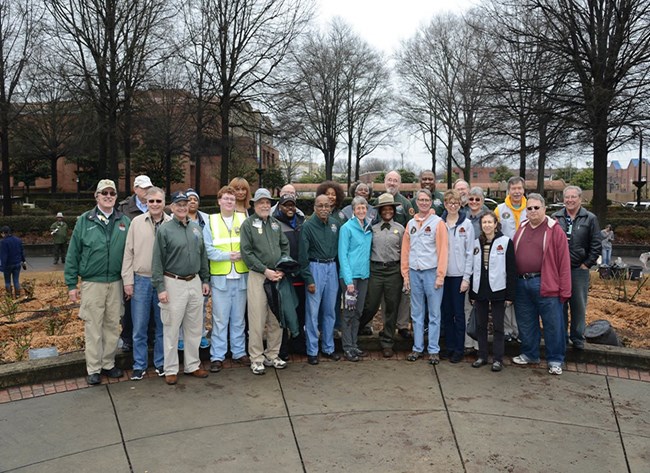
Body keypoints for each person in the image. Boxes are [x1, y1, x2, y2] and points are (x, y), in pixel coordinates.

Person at [65, 179, 130, 386]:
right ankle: (93, 368)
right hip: (92, 283)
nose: (108, 196)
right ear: (97, 196)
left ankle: (108, 364)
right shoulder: (85, 221)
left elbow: (132, 253)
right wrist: (71, 284)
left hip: (116, 282)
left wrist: (130, 281)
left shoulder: (124, 221)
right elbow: (73, 253)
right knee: (93, 326)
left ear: (116, 197)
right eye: (104, 193)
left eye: (112, 193)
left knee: (112, 325)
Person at [152, 191, 211, 385]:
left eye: (185, 203)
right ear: (171, 206)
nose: (183, 207)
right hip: (173, 282)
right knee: (171, 328)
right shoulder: (165, 230)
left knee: (194, 327)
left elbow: (202, 255)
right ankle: (170, 368)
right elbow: (157, 261)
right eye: (179, 204)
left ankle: (192, 365)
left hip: (194, 281)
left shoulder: (195, 228)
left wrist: (205, 279)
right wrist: (160, 287)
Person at [512, 193, 571, 375]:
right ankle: (530, 354)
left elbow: (564, 262)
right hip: (522, 284)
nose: (533, 211)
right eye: (529, 208)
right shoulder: (521, 228)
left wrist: (565, 290)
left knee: (553, 324)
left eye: (536, 207)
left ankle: (555, 360)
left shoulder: (554, 230)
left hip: (546, 283)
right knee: (526, 322)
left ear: (544, 209)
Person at [121, 187, 170, 380]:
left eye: (159, 201)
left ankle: (160, 363)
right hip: (140, 279)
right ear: (146, 203)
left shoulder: (171, 223)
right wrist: (128, 281)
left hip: (164, 281)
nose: (155, 205)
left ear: (164, 203)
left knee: (162, 326)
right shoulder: (136, 223)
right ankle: (139, 365)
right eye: (151, 201)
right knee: (139, 327)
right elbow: (128, 253)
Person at [240, 188, 290, 375]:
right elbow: (247, 252)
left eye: (268, 202)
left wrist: (282, 267)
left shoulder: (276, 224)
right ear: (254, 204)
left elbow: (285, 246)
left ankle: (272, 354)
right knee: (257, 318)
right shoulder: (248, 225)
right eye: (261, 202)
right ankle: (257, 358)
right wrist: (265, 270)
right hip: (258, 276)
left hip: (277, 276)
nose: (265, 205)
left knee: (276, 317)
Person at [203, 186, 251, 373]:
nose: (230, 202)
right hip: (221, 277)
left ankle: (239, 352)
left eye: (232, 199)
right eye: (226, 199)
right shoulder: (211, 221)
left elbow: (249, 245)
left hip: (241, 275)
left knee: (239, 319)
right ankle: (217, 355)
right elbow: (208, 249)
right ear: (219, 201)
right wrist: (228, 256)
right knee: (220, 319)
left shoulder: (243, 219)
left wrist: (242, 255)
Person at [401, 189, 448, 364]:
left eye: (427, 200)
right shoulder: (411, 224)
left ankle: (434, 350)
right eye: (420, 200)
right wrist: (405, 274)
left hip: (432, 272)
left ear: (431, 202)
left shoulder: (438, 223)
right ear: (416, 202)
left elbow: (443, 250)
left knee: (434, 314)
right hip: (414, 272)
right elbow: (406, 251)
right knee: (416, 313)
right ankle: (417, 348)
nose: (423, 202)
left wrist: (440, 275)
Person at [552, 185, 602, 351]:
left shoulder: (589, 218)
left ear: (580, 199)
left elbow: (596, 245)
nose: (570, 200)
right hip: (559, 269)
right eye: (567, 197)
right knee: (560, 305)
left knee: (578, 305)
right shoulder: (556, 217)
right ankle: (562, 337)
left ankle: (577, 337)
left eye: (573, 197)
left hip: (578, 270)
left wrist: (586, 264)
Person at [469, 212, 516, 372]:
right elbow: (473, 269)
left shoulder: (506, 242)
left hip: (498, 289)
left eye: (490, 222)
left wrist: (510, 295)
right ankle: (482, 356)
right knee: (481, 325)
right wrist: (472, 294)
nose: (487, 225)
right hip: (480, 289)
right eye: (484, 222)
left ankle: (497, 359)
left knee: (498, 326)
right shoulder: (476, 243)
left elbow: (511, 270)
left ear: (496, 224)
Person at [359, 193, 404, 358]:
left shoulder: (401, 229)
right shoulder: (372, 229)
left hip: (393, 270)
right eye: (384, 209)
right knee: (370, 305)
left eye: (389, 209)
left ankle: (387, 341)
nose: (387, 212)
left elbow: (405, 252)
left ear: (393, 210)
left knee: (392, 307)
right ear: (379, 211)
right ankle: (354, 332)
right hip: (376, 270)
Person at [300, 194, 341, 365]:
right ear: (314, 207)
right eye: (320, 206)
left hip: (332, 267)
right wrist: (308, 279)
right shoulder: (308, 226)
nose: (324, 209)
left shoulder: (335, 224)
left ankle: (328, 347)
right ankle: (312, 350)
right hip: (315, 267)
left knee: (330, 311)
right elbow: (302, 255)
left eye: (327, 205)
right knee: (312, 312)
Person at [117, 174, 153, 352]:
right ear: (135, 189)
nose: (147, 192)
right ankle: (128, 338)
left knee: (151, 306)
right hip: (131, 260)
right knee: (130, 303)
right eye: (143, 189)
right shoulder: (124, 209)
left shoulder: (156, 205)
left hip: (150, 262)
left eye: (149, 188)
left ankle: (150, 336)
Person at [440, 190, 474, 363]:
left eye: (456, 203)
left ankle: (459, 349)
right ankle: (450, 346)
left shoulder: (466, 225)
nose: (452, 206)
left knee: (458, 314)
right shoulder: (440, 223)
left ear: (460, 205)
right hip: (442, 275)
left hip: (459, 276)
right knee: (446, 313)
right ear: (445, 204)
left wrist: (466, 277)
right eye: (449, 203)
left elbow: (470, 253)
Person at [338, 196, 373, 362]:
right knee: (348, 313)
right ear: (353, 210)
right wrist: (348, 280)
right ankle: (347, 347)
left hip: (364, 276)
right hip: (350, 278)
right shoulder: (347, 228)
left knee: (358, 312)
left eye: (363, 208)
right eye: (358, 208)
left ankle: (354, 344)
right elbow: (343, 255)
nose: (361, 211)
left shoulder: (368, 228)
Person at [274, 193, 307, 360]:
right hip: (286, 275)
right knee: (285, 312)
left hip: (301, 274)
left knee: (301, 311)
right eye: (286, 205)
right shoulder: (275, 224)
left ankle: (298, 343)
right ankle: (283, 347)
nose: (289, 208)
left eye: (292, 205)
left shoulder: (302, 222)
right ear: (280, 207)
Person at [495, 176, 527, 343]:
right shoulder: (500, 210)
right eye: (513, 189)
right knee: (506, 293)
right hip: (504, 259)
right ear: (508, 190)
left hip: (525, 259)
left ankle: (519, 330)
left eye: (519, 188)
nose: (516, 192)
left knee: (521, 296)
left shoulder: (530, 208)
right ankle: (507, 330)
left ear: (523, 190)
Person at [182, 188, 210, 350]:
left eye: (195, 199)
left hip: (202, 267)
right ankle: (181, 336)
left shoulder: (206, 219)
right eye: (189, 199)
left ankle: (200, 334)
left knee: (201, 304)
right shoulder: (175, 219)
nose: (192, 202)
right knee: (182, 306)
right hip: (183, 269)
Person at [0, 227, 26, 298]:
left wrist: (2, 267)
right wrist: (24, 261)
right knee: (16, 280)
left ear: (3, 233)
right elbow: (21, 252)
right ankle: (17, 295)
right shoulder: (18, 240)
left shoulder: (3, 242)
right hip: (17, 264)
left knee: (7, 281)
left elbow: (3, 255)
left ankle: (9, 296)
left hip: (8, 265)